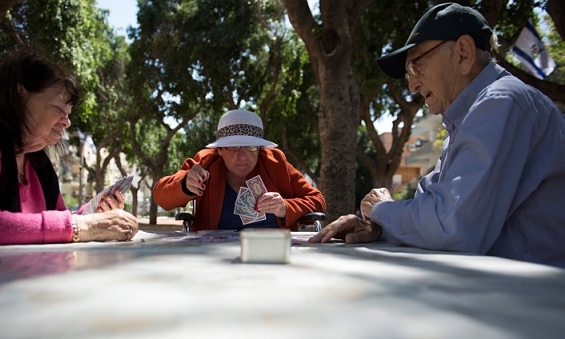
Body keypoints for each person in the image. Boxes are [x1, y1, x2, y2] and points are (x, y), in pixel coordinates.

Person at [309, 2, 565, 268]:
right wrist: (377, 226)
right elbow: (434, 211)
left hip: (540, 301)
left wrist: (382, 210)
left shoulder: (501, 101)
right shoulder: (468, 118)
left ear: (463, 53)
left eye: (416, 66)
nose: (412, 85)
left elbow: (452, 226)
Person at [0, 48, 138, 254]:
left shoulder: (37, 162)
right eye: (59, 109)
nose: (67, 122)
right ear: (19, 95)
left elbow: (53, 223)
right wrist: (83, 226)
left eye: (68, 113)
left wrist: (94, 214)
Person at [154, 109, 326, 231]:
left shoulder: (275, 162)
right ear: (219, 150)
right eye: (233, 146)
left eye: (251, 147)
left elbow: (318, 200)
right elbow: (161, 196)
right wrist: (185, 184)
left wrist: (285, 207)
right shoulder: (206, 162)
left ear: (259, 148)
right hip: (215, 256)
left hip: (272, 253)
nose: (243, 156)